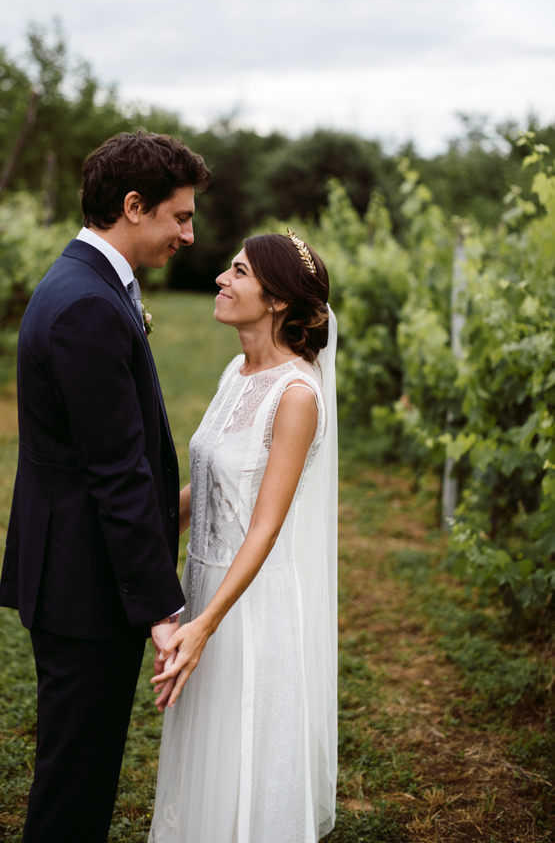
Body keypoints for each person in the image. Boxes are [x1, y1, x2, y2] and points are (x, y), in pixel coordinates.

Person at [0, 130, 210, 843]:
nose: (189, 232)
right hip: (86, 584)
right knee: (75, 786)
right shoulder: (86, 303)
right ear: (132, 205)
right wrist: (159, 607)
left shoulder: (89, 284)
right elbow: (115, 470)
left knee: (80, 773)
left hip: (77, 571)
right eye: (179, 215)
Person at [149, 231, 338, 843]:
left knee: (243, 755)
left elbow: (265, 524)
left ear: (277, 299)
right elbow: (205, 489)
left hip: (248, 603)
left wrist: (206, 625)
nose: (221, 280)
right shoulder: (237, 371)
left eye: (238, 272)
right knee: (203, 758)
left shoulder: (297, 394)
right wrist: (135, 545)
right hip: (199, 582)